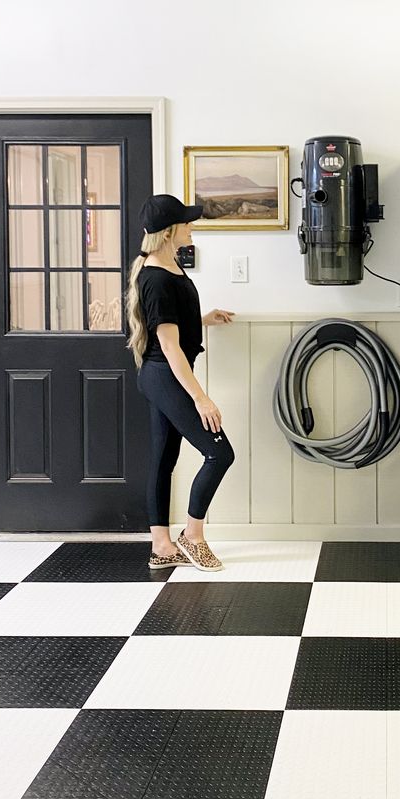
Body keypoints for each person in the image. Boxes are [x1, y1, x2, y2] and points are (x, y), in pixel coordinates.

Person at [126, 194, 235, 571]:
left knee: (163, 458)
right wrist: (202, 399)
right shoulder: (156, 277)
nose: (192, 227)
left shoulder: (167, 265)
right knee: (220, 453)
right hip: (164, 374)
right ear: (170, 231)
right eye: (187, 223)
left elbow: (170, 325)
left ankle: (162, 547)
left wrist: (204, 319)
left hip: (163, 374)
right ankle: (193, 536)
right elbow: (169, 347)